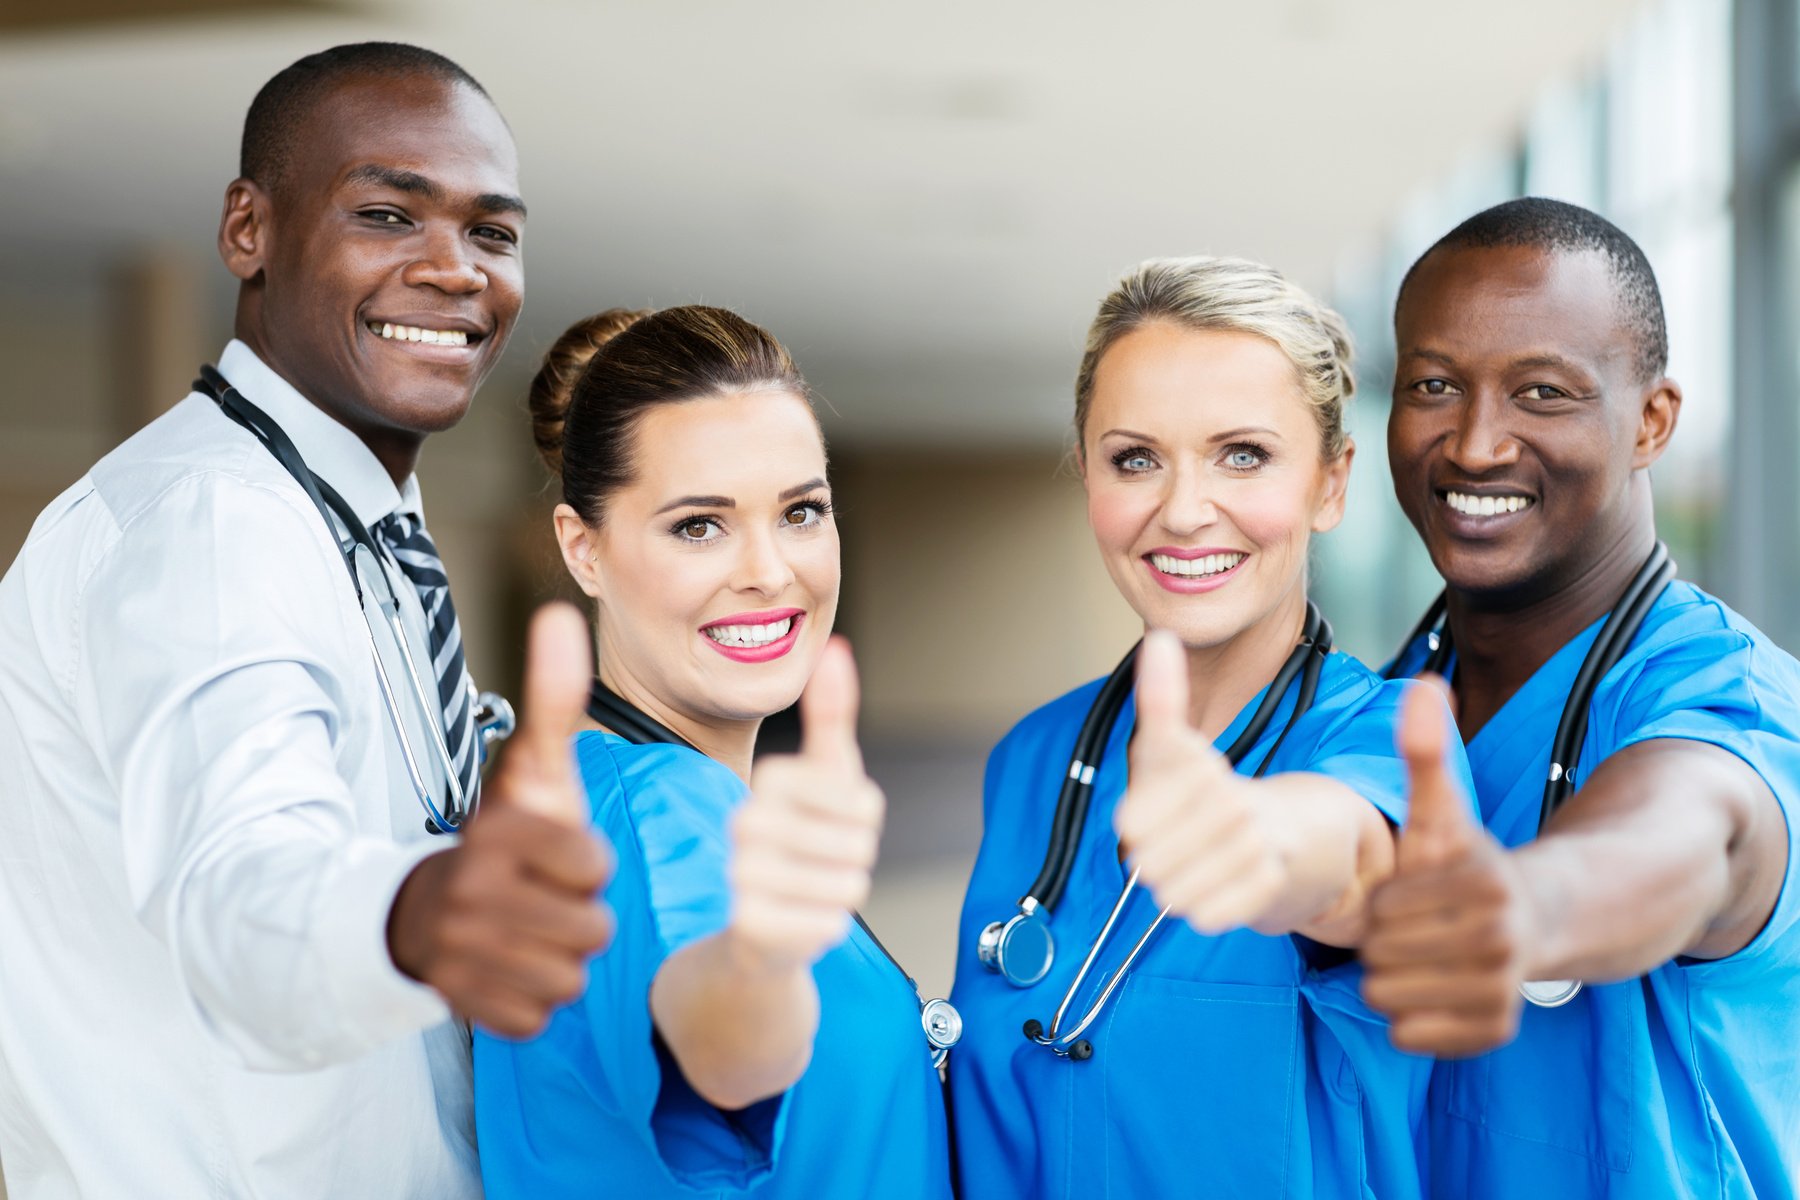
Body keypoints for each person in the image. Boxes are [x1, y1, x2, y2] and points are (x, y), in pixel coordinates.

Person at [0, 44, 613, 1198]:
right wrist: (421, 910)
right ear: (249, 229)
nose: (455, 271)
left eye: (494, 232)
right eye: (388, 213)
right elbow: (246, 891)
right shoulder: (215, 529)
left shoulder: (355, 530)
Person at [947, 256, 1473, 1198]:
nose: (1184, 511)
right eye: (1135, 459)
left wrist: (1260, 845)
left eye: (1243, 454)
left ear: (1330, 482)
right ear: (1086, 475)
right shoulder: (1033, 758)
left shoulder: (1383, 743)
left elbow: (1347, 860)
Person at [1364, 197, 1800, 1197]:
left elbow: (1689, 829)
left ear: (1651, 421)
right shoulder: (1381, 710)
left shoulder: (1725, 698)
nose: (1475, 444)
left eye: (1543, 393)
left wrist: (1527, 905)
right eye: (1434, 383)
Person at [472, 305, 954, 1199]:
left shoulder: (624, 792)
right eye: (700, 525)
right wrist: (760, 961)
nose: (770, 570)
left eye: (802, 512)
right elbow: (724, 1046)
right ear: (583, 550)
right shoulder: (659, 816)